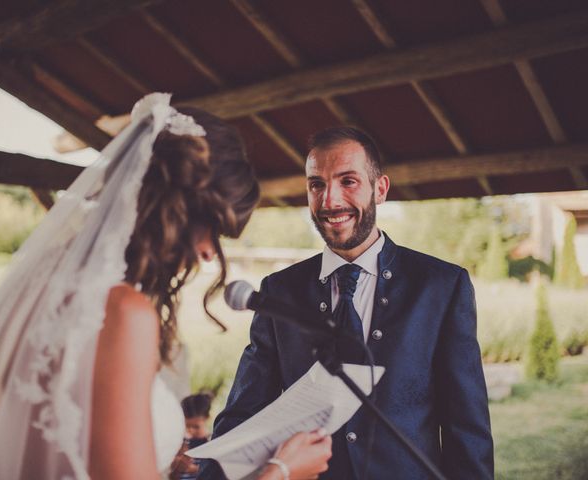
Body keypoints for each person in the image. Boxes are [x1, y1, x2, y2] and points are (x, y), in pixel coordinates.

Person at [0, 93, 331, 480]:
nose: (208, 254)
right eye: (211, 229)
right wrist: (281, 472)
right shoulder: (122, 312)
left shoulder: (38, 284)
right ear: (177, 210)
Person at [200, 126, 494, 479]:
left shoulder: (442, 286)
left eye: (348, 181)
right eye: (316, 185)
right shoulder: (278, 291)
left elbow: (467, 427)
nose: (329, 201)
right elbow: (244, 411)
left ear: (380, 189)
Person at [170, 392, 214, 479]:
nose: (190, 430)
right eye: (187, 426)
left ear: (207, 418)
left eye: (196, 426)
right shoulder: (179, 445)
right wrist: (176, 467)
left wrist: (194, 469)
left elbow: (219, 473)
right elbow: (172, 476)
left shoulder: (213, 444)